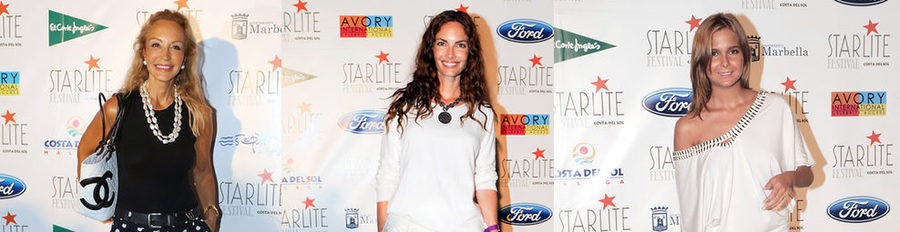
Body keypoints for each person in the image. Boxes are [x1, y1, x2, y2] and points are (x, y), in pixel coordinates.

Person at [77, 10, 219, 232]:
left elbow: (203, 171)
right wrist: (98, 201)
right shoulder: (118, 108)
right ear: (143, 52)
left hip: (188, 225)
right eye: (156, 45)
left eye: (175, 47)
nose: (165, 55)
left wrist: (211, 215)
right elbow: (86, 151)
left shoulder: (199, 113)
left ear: (185, 56)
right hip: (131, 226)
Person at [672, 13, 814, 231]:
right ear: (701, 60)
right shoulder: (688, 127)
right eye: (714, 53)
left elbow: (807, 174)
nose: (725, 62)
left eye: (733, 51)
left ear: (745, 55)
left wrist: (790, 177)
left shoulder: (775, 108)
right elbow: (690, 209)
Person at [376, 10, 499, 232]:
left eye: (460, 45)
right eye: (442, 43)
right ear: (431, 49)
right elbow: (388, 174)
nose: (450, 54)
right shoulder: (405, 106)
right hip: (407, 226)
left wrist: (492, 228)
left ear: (470, 52)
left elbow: (485, 179)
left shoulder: (483, 114)